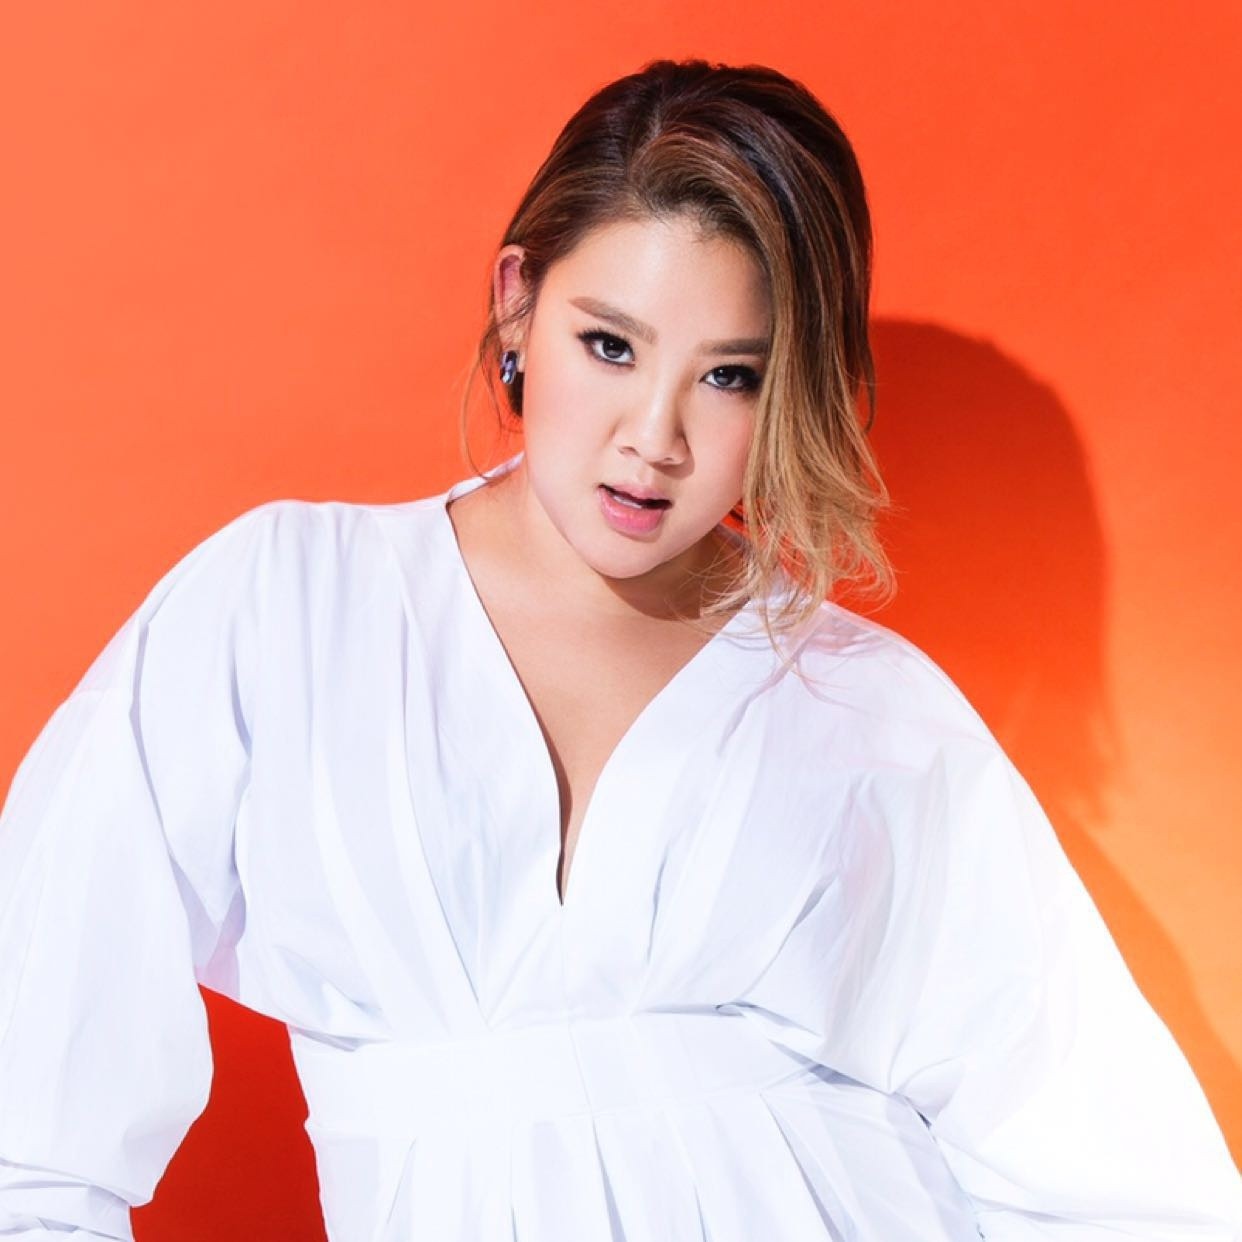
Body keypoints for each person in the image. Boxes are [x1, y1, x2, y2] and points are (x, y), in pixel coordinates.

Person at [0, 56, 1239, 1242]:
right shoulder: (288, 606)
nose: (655, 437)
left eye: (731, 376)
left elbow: (1113, 1174)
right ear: (517, 303)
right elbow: (28, 1124)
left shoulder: (865, 704)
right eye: (611, 345)